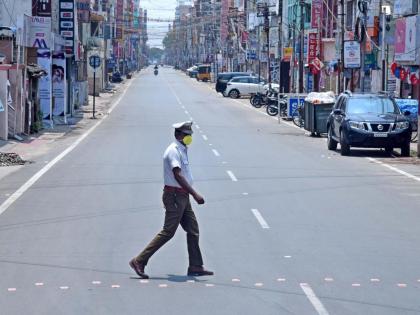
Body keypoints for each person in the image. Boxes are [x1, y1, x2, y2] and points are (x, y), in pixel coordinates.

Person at [130, 121, 214, 279]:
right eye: (186, 135)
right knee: (168, 231)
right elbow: (177, 174)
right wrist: (195, 194)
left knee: (193, 230)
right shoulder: (173, 151)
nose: (188, 137)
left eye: (190, 135)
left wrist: (189, 194)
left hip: (182, 196)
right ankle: (139, 260)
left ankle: (195, 265)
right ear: (177, 135)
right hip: (174, 196)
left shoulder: (182, 149)